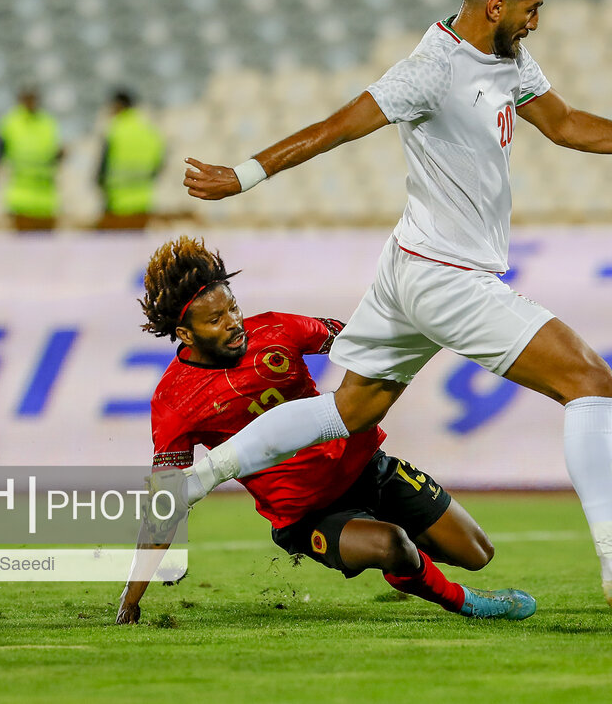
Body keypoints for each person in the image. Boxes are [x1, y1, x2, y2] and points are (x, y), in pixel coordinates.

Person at [162, 0, 612, 613]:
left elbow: (567, 125)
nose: (535, 21)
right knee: (589, 380)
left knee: (349, 408)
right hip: (446, 276)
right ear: (492, 4)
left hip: (407, 265)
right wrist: (244, 175)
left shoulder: (511, 60)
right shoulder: (431, 68)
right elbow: (341, 124)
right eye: (529, 8)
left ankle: (200, 476)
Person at [116, 236, 536, 624]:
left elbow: (359, 342)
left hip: (369, 469)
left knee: (477, 552)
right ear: (186, 333)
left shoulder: (277, 328)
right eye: (215, 319)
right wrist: (132, 598)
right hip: (307, 513)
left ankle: (406, 562)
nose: (233, 323)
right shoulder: (174, 401)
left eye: (233, 308)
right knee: (391, 545)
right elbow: (167, 501)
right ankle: (464, 600)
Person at [0, 87, 64, 231]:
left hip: (47, 203)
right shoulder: (10, 125)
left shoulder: (48, 124)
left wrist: (60, 155)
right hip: (20, 203)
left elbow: (51, 159)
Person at [96, 88, 165, 230]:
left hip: (117, 202)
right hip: (143, 201)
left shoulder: (114, 130)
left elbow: (102, 169)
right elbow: (159, 163)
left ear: (118, 105)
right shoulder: (148, 130)